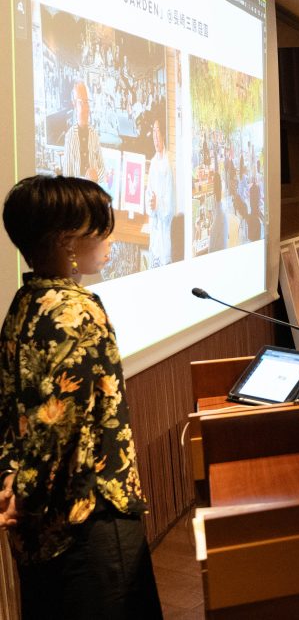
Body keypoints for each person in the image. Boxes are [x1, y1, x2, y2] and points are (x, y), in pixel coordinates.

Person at [0, 175, 163, 618]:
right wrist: (26, 493)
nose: (110, 239)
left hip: (40, 530)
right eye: (101, 229)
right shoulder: (77, 310)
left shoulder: (24, 302)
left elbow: (10, 410)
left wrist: (12, 486)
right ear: (67, 241)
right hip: (90, 516)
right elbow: (58, 424)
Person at [146, 117, 175, 267]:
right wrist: (150, 204)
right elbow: (148, 193)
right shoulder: (152, 162)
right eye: (153, 132)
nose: (155, 137)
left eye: (158, 132)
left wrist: (159, 205)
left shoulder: (169, 162)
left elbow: (171, 204)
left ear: (163, 134)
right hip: (155, 231)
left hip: (166, 231)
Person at [62, 82, 104, 182]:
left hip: (94, 192)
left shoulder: (94, 134)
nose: (85, 107)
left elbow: (103, 170)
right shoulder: (70, 136)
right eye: (81, 102)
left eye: (87, 102)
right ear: (74, 104)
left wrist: (96, 175)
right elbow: (66, 177)